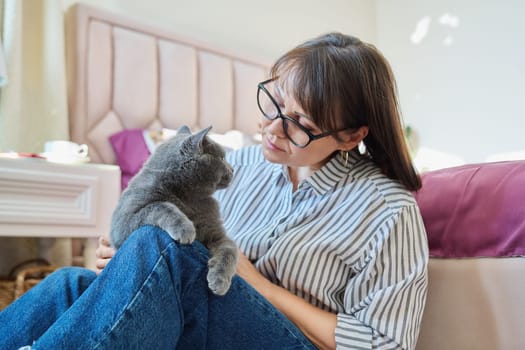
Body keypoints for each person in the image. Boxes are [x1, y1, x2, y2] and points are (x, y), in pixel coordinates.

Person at [0, 32, 428, 350]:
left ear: (352, 136)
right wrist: (126, 260)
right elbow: (168, 253)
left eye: (301, 124)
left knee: (168, 248)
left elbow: (384, 343)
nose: (273, 129)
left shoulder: (388, 210)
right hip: (211, 319)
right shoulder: (236, 166)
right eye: (274, 102)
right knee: (71, 285)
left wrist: (260, 286)